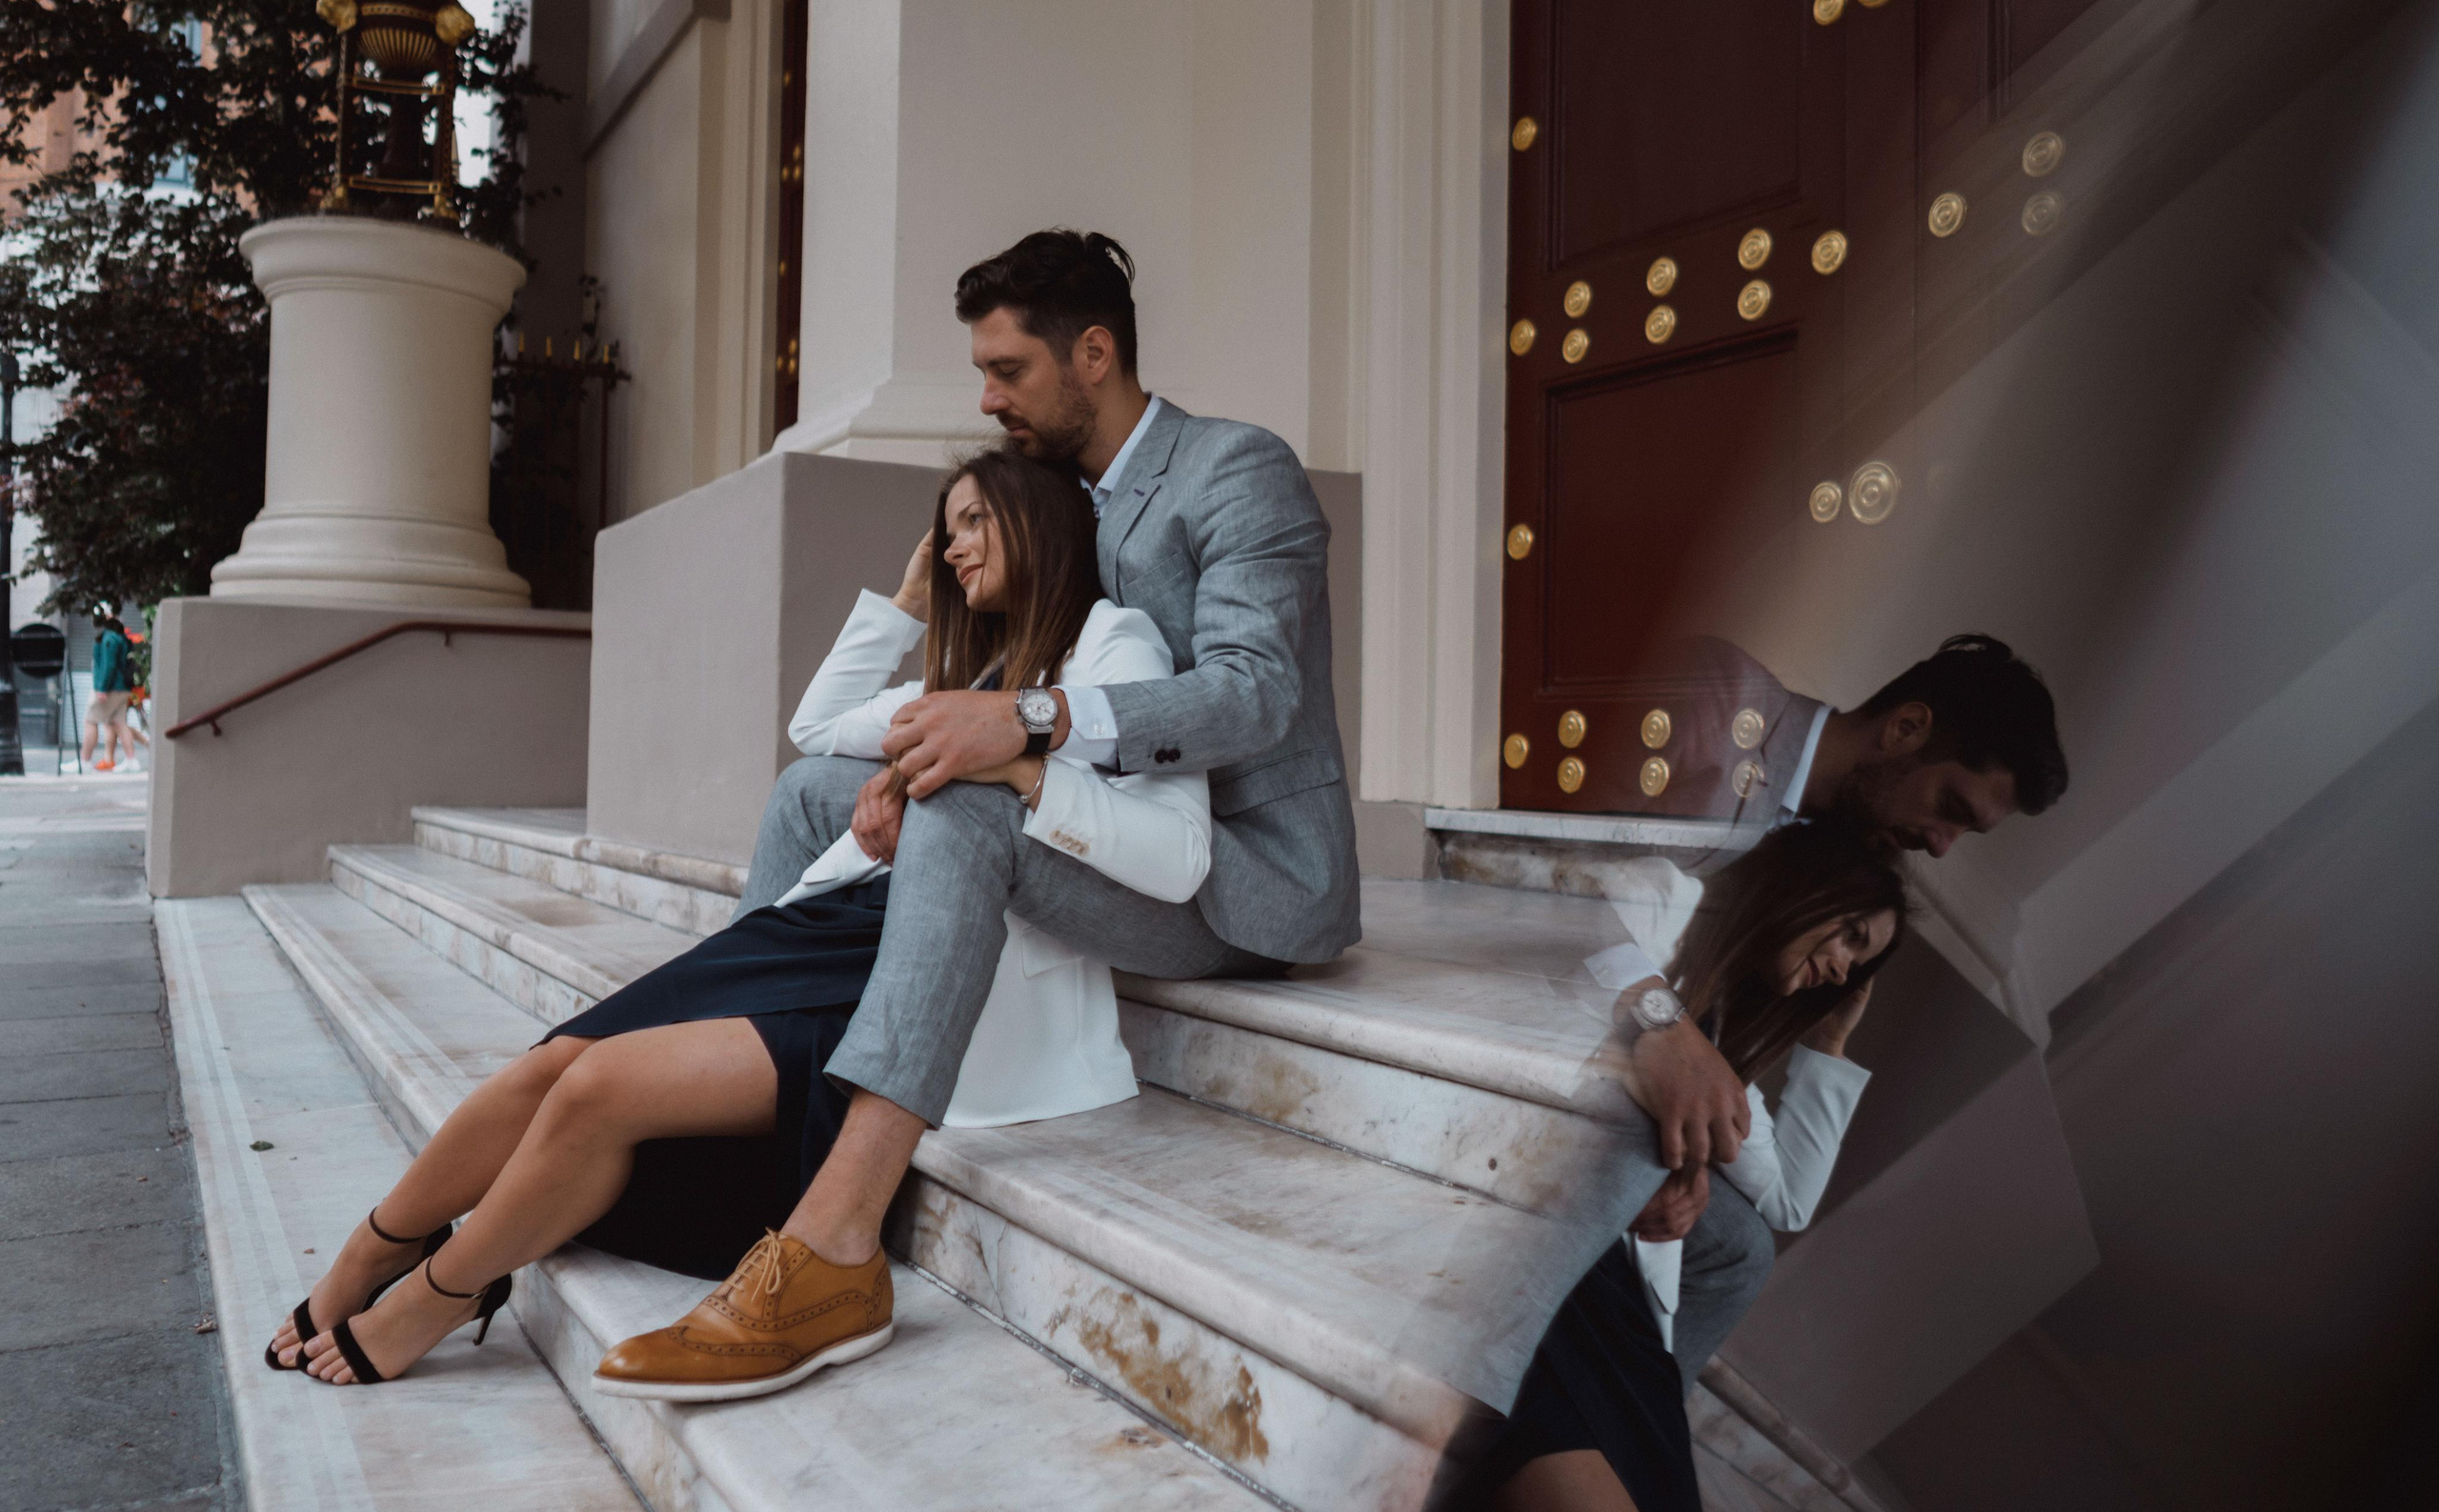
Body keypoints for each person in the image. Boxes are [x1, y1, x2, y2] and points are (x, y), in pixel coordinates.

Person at [588, 229, 1361, 1401]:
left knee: (961, 808)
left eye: (1008, 370)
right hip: (1102, 830)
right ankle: (744, 1097)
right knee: (812, 792)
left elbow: (1257, 695)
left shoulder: (1233, 470)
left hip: (1233, 877)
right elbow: (852, 719)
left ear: (1092, 353)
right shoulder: (1059, 502)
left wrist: (1030, 721)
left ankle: (837, 1244)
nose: (987, 396)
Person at [266, 447, 1210, 1388]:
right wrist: (907, 602)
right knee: (551, 1065)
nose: (955, 545)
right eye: (946, 524)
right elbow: (816, 728)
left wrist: (1013, 763)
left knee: (595, 1088)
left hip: (907, 967)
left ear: (1040, 523)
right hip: (823, 927)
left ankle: (445, 1288)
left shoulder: (1111, 640)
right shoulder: (975, 665)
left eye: (975, 521)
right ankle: (368, 1254)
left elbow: (1172, 850)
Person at [1469, 820, 1908, 1512]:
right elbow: (1560, 923)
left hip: (1610, 1290)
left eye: (1861, 963)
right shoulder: (1661, 900)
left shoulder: (1726, 1039)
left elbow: (1790, 1197)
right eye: (1851, 934)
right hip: (1520, 1242)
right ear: (1803, 888)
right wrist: (1625, 1172)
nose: (1844, 968)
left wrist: (1832, 1037)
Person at [81, 612, 139, 772]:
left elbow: (109, 665)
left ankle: (84, 761)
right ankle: (131, 760)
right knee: (120, 723)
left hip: (111, 687)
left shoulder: (109, 638)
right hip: (123, 687)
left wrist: (102, 688)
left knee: (90, 721)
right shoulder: (121, 637)